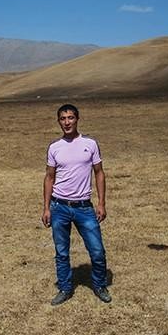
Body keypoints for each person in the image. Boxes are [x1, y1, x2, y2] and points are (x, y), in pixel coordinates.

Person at [42, 104, 112, 305]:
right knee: (61, 252)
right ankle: (65, 288)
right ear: (59, 121)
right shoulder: (54, 147)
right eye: (63, 118)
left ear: (77, 119)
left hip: (84, 207)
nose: (67, 122)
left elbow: (99, 173)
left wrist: (101, 203)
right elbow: (49, 177)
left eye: (70, 118)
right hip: (59, 207)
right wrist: (46, 208)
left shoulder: (90, 144)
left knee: (97, 251)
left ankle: (99, 285)